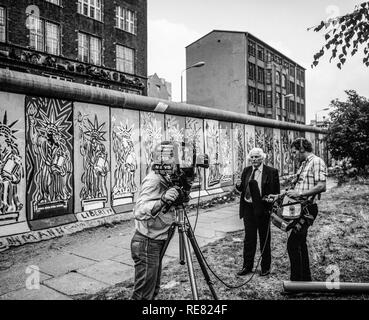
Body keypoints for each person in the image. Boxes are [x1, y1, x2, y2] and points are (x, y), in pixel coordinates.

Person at [130, 141, 180, 300]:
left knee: (152, 291)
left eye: (172, 156)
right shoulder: (154, 179)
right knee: (143, 295)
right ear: (154, 158)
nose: (170, 160)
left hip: (155, 241)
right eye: (165, 156)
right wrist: (163, 200)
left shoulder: (167, 177)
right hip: (147, 242)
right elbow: (139, 211)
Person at [285, 137, 327, 281]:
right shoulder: (304, 164)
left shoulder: (316, 161)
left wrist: (300, 194)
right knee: (300, 244)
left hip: (308, 209)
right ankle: (305, 280)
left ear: (302, 149)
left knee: (293, 244)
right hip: (300, 209)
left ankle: (297, 282)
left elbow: (322, 186)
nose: (293, 155)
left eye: (295, 152)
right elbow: (298, 186)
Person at [235, 147, 280, 276]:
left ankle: (265, 267)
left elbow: (275, 192)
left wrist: (268, 203)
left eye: (257, 157)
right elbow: (242, 188)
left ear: (262, 158)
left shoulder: (271, 172)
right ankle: (247, 266)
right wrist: (238, 185)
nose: (254, 159)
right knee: (249, 239)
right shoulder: (246, 170)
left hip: (262, 209)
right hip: (248, 208)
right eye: (252, 157)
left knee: (264, 238)